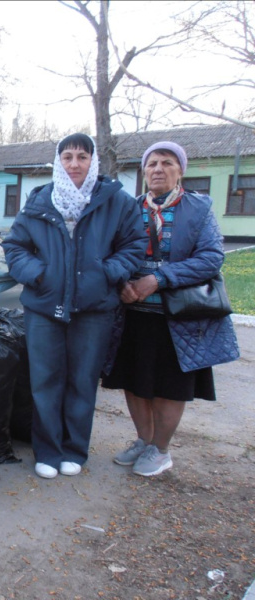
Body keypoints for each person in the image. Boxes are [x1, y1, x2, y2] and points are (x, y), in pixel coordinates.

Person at [3, 133, 147, 479]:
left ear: (93, 162)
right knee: (45, 381)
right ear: (59, 162)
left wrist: (106, 273)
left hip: (94, 309)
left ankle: (74, 450)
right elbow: (14, 247)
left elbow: (134, 245)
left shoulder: (117, 202)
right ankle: (48, 451)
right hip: (43, 307)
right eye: (67, 157)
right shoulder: (39, 202)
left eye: (82, 157)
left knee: (82, 381)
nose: (74, 164)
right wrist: (39, 274)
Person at [102, 141, 239, 476]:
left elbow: (210, 258)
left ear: (181, 171)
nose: (158, 169)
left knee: (168, 387)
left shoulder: (198, 208)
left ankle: (160, 449)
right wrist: (122, 283)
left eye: (167, 163)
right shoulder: (130, 208)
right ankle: (143, 440)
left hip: (178, 319)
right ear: (144, 171)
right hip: (133, 315)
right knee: (134, 383)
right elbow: (111, 252)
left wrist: (159, 279)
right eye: (152, 164)